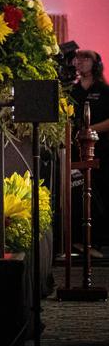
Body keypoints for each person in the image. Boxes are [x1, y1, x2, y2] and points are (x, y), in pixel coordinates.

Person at [71, 49, 109, 249]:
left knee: (101, 192)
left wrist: (90, 130)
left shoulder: (104, 90)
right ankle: (79, 239)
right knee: (77, 193)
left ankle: (100, 240)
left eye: (86, 57)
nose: (81, 61)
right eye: (78, 58)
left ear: (96, 64)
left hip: (101, 151)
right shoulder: (72, 91)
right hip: (75, 151)